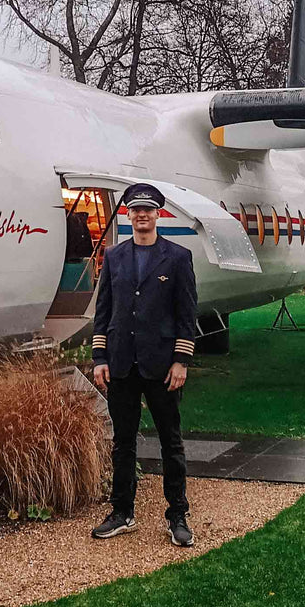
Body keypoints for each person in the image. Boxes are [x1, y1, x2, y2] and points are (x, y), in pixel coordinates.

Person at [89, 182, 198, 547]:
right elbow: (103, 310)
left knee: (171, 442)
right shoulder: (114, 256)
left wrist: (181, 360)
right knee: (122, 443)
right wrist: (100, 357)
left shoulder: (178, 258)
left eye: (148, 209)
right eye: (135, 209)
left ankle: (178, 516)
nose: (141, 215)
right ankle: (122, 512)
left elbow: (187, 314)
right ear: (128, 214)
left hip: (162, 365)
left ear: (158, 214)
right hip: (122, 364)